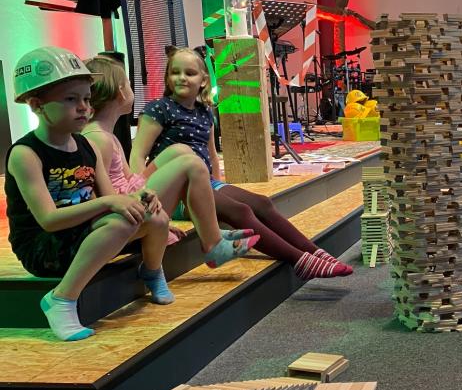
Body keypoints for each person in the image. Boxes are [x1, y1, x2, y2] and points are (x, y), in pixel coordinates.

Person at [130, 47, 353, 280]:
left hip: (205, 183)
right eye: (175, 72)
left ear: (204, 80)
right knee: (241, 210)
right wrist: (142, 195)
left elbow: (212, 155)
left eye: (190, 73)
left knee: (262, 203)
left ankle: (313, 250)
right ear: (167, 76)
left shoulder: (204, 112)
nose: (182, 78)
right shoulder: (159, 109)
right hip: (177, 191)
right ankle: (299, 260)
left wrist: (219, 184)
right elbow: (138, 154)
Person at [4, 47, 174, 341]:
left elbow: (112, 201)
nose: (84, 107)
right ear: (36, 105)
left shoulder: (87, 147)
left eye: (86, 98)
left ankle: (152, 271)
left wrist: (141, 198)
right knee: (121, 221)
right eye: (71, 99)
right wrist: (109, 202)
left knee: (156, 217)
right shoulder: (25, 154)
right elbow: (48, 220)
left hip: (82, 235)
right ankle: (61, 299)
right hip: (45, 246)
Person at [82, 56, 259, 268]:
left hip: (130, 201)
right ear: (121, 92)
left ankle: (209, 228)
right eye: (129, 84)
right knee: (190, 164)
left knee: (181, 151)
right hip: (122, 215)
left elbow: (130, 179)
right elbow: (106, 199)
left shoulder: (107, 136)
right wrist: (156, 221)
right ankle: (213, 244)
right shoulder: (99, 139)